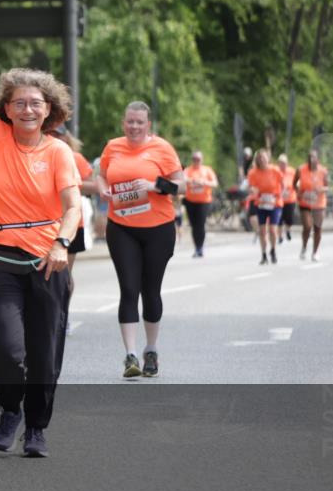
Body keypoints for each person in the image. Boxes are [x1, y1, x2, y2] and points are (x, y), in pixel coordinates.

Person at [0, 17, 82, 457]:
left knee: (45, 354)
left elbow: (73, 206)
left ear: (49, 110)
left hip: (47, 260)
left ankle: (37, 428)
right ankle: (10, 410)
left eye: (36, 103)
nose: (27, 110)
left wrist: (62, 244)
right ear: (6, 108)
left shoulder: (58, 151)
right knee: (8, 348)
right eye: (19, 103)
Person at [99, 101, 184, 379]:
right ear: (124, 123)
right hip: (122, 227)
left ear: (148, 125)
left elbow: (181, 186)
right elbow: (100, 178)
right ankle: (130, 355)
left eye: (139, 122)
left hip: (158, 228)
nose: (134, 126)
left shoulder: (162, 148)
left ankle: (151, 349)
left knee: (150, 291)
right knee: (128, 289)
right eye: (130, 122)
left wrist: (154, 185)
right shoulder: (113, 147)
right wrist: (104, 192)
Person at [49, 126, 99, 334]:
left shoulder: (74, 157)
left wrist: (71, 185)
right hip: (45, 223)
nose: (55, 136)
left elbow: (95, 185)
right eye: (51, 132)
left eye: (59, 133)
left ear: (66, 136)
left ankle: (63, 315)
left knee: (63, 274)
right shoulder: (40, 153)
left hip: (71, 224)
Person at [247, 149, 283, 265]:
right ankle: (263, 255)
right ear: (257, 160)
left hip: (275, 203)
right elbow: (251, 186)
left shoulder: (275, 170)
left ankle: (273, 250)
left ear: (268, 158)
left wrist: (278, 194)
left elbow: (283, 185)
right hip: (261, 203)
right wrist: (253, 190)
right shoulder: (253, 172)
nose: (262, 160)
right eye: (259, 158)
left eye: (264, 157)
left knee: (272, 230)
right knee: (262, 231)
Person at [294, 149, 329, 261]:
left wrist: (321, 189)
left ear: (317, 159)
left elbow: (327, 186)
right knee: (307, 226)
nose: (311, 160)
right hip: (305, 202)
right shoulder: (300, 170)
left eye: (313, 157)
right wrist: (298, 191)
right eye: (309, 157)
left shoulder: (323, 171)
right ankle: (304, 247)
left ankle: (315, 252)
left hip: (319, 203)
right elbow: (294, 183)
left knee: (318, 228)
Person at [183, 150, 218, 258]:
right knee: (194, 226)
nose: (196, 161)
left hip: (204, 201)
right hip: (190, 201)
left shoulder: (207, 170)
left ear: (201, 159)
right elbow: (182, 179)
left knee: (200, 224)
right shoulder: (188, 170)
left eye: (198, 159)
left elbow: (215, 183)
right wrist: (191, 181)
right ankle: (196, 247)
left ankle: (200, 247)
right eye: (194, 159)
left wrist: (204, 182)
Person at [277, 154, 297, 244]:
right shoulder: (276, 171)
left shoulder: (292, 171)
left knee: (289, 219)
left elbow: (297, 181)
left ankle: (288, 230)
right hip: (279, 199)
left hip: (290, 198)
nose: (282, 165)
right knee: (279, 219)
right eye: (281, 163)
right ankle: (280, 236)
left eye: (284, 163)